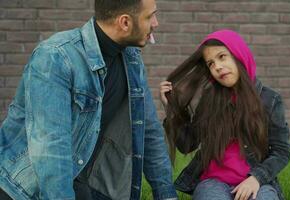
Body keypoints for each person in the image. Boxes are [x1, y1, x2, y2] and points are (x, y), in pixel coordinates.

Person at [0, 0, 177, 199]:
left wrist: (167, 195)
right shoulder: (55, 57)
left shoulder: (131, 57)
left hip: (82, 179)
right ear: (125, 22)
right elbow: (51, 150)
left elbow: (148, 130)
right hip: (23, 188)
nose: (156, 23)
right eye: (150, 16)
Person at [160, 30, 290, 200]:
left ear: (239, 55)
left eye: (222, 57)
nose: (217, 66)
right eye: (211, 64)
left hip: (256, 183)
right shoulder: (210, 100)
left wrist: (257, 178)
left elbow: (281, 151)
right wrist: (170, 110)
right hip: (213, 183)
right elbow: (187, 145)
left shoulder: (270, 100)